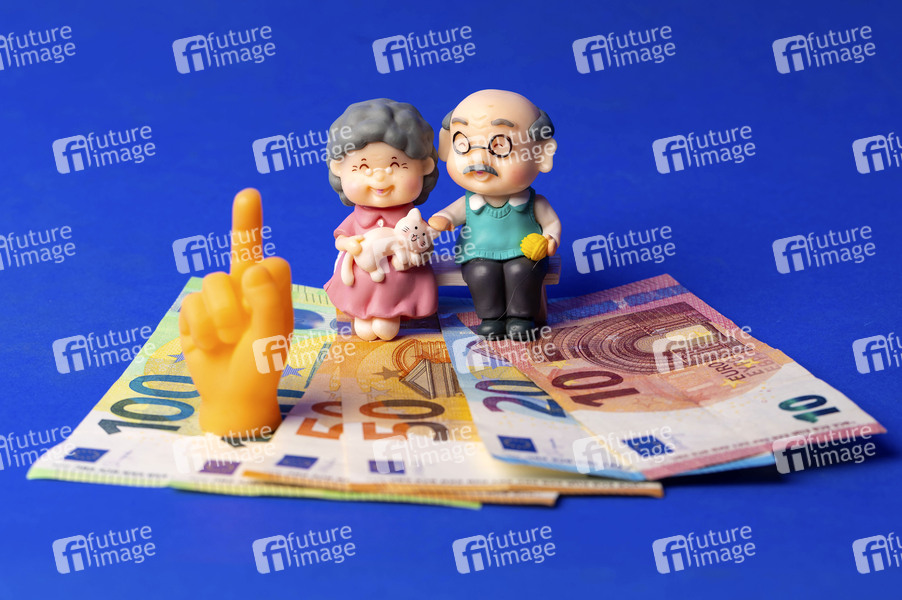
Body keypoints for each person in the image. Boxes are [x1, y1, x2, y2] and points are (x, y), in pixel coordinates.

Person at [428, 90, 561, 339]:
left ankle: (521, 317)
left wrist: (549, 240)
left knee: (522, 272)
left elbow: (551, 224)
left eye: (500, 145)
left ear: (541, 153)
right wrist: (443, 220)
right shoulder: (468, 202)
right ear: (447, 146)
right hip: (477, 254)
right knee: (481, 273)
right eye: (463, 144)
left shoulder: (534, 203)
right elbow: (450, 215)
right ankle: (492, 318)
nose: (479, 158)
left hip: (525, 254)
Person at [323, 99, 439, 341]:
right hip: (359, 281)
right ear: (338, 169)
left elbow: (424, 243)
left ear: (424, 167)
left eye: (395, 165)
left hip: (403, 280)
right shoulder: (357, 217)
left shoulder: (412, 219)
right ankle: (363, 315)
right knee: (362, 303)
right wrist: (349, 244)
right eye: (363, 167)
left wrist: (419, 250)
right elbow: (340, 239)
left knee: (390, 312)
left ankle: (390, 315)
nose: (379, 179)